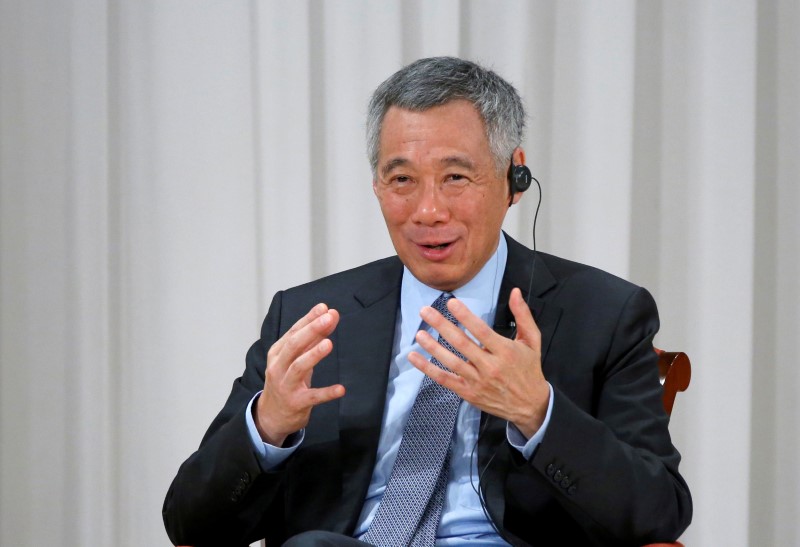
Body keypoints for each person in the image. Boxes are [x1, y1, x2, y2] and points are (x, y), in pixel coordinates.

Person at [163, 56, 692, 547]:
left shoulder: (603, 314)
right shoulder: (313, 317)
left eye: (456, 177)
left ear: (514, 178)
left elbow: (660, 511)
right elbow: (189, 522)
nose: (428, 211)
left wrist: (537, 413)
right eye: (402, 180)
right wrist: (267, 427)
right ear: (376, 185)